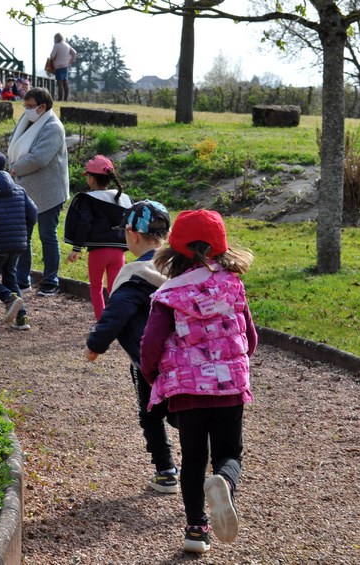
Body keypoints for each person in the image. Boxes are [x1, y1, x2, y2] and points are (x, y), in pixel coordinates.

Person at [140, 209, 257, 555]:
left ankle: (195, 530)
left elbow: (150, 345)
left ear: (174, 250)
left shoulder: (168, 296)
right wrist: (236, 362)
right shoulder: (233, 285)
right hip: (229, 388)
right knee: (229, 453)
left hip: (187, 392)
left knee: (192, 458)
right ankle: (223, 481)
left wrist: (154, 378)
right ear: (221, 248)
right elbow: (249, 338)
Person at [84, 201, 179, 494]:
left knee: (152, 415)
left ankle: (166, 472)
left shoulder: (135, 274)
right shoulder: (178, 268)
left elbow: (117, 312)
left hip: (149, 359)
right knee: (184, 413)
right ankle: (205, 457)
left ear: (132, 234)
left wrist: (95, 344)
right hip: (186, 356)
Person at [7, 87, 70, 297]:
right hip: (24, 190)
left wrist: (15, 168)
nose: (26, 110)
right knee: (23, 236)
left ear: (43, 107)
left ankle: (51, 280)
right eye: (25, 106)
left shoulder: (53, 127)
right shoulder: (27, 122)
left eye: (30, 106)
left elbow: (39, 158)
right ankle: (22, 279)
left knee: (47, 235)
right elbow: (13, 145)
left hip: (48, 192)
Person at [64, 155, 133, 320]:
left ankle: (102, 322)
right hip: (119, 252)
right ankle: (117, 319)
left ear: (92, 179)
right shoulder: (123, 198)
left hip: (98, 252)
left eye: (88, 176)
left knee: (96, 287)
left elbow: (84, 224)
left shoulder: (88, 199)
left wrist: (76, 248)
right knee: (114, 288)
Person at [0, 150, 38, 331]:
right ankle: (22, 318)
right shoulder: (19, 189)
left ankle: (8, 298)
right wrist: (23, 234)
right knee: (10, 277)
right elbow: (33, 214)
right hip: (18, 243)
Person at [48, 33, 77, 102]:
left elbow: (52, 56)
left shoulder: (56, 45)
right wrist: (70, 61)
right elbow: (74, 53)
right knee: (65, 83)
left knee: (59, 83)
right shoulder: (67, 45)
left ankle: (60, 98)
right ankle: (66, 98)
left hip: (58, 66)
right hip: (65, 66)